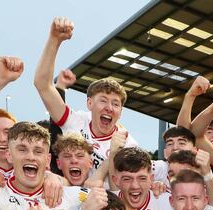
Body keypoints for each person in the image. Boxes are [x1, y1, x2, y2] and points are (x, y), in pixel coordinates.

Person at [34, 17, 138, 178]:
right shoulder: (77, 121)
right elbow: (43, 85)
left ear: (121, 112)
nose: (109, 108)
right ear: (89, 103)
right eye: (103, 100)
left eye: (116, 104)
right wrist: (54, 40)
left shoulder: (128, 144)